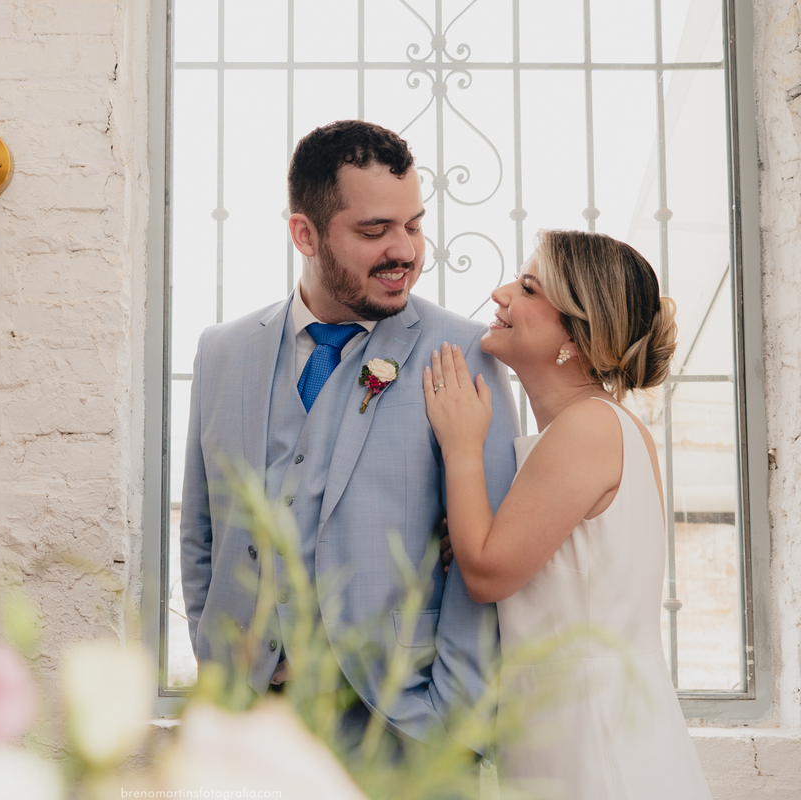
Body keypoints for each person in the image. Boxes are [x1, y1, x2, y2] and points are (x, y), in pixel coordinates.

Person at [178, 119, 520, 754]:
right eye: (374, 231)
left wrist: (453, 720)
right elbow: (203, 531)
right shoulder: (221, 352)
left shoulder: (465, 352)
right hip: (248, 721)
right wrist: (214, 662)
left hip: (402, 726)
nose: (406, 251)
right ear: (304, 233)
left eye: (414, 225)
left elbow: (486, 557)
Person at [423, 229, 712, 797]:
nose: (501, 293)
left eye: (528, 288)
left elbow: (485, 574)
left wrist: (461, 444)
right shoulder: (589, 428)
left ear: (573, 337)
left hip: (598, 745)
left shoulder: (590, 426)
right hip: (574, 731)